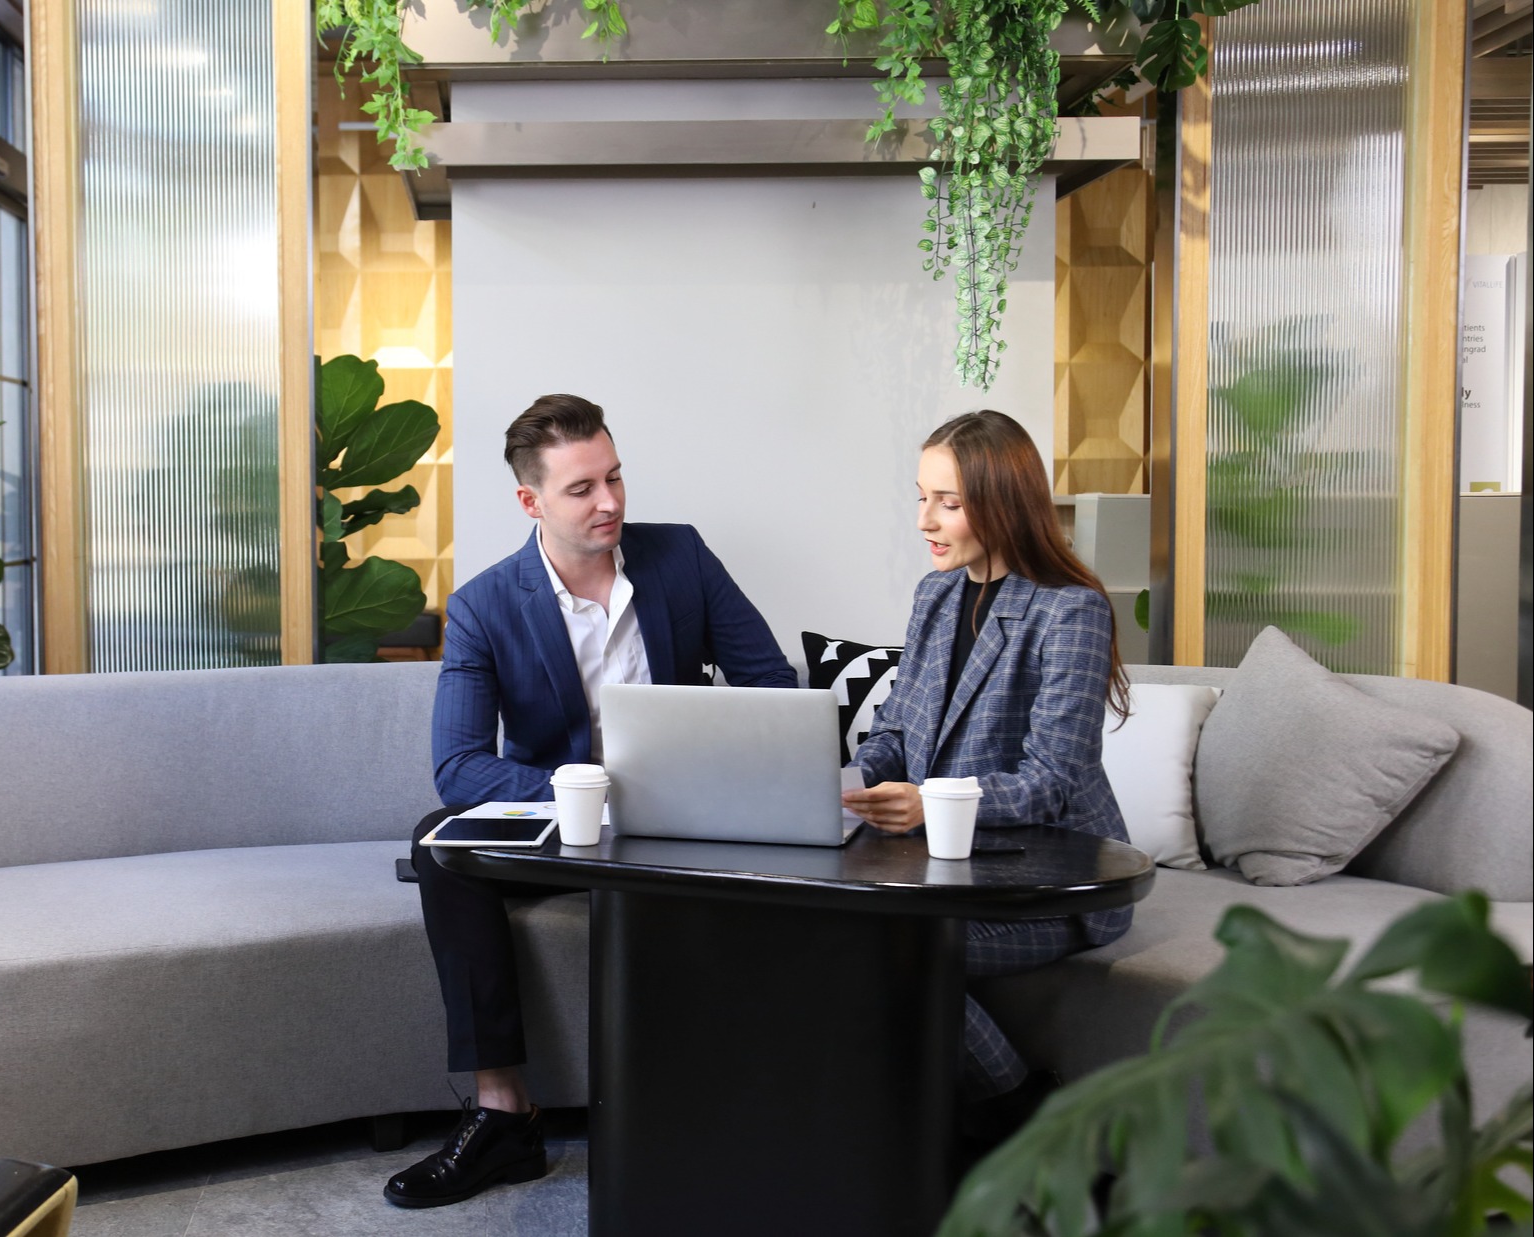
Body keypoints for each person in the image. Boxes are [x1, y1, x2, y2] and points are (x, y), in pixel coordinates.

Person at [386, 394, 797, 1209]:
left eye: (613, 478)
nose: (608, 501)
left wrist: (704, 773)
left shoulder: (679, 559)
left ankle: (738, 1108)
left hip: (686, 822)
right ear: (529, 501)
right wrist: (586, 793)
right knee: (440, 842)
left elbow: (775, 689)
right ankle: (503, 1116)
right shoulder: (485, 604)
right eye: (581, 488)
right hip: (569, 827)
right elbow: (460, 766)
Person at [840, 408, 1133, 1145]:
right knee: (821, 928)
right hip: (945, 870)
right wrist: (847, 781)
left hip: (1045, 879)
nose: (923, 520)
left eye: (947, 501)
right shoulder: (933, 595)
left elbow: (1051, 780)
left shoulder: (1071, 610)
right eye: (920, 496)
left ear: (1001, 502)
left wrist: (926, 800)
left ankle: (1025, 1123)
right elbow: (898, 731)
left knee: (890, 948)